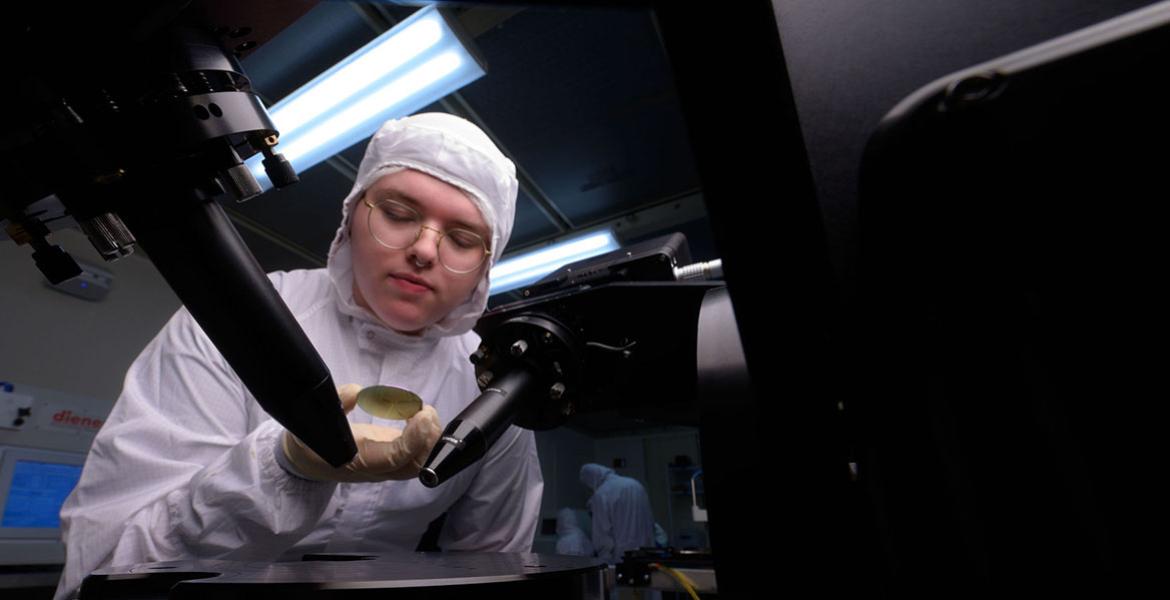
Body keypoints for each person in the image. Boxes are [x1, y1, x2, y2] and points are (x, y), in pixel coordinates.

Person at [54, 113, 544, 600]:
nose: (423, 250)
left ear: (486, 265)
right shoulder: (232, 316)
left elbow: (494, 566)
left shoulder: (495, 380)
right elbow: (105, 569)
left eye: (461, 240)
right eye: (397, 213)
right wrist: (282, 467)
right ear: (351, 214)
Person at [579, 463, 655, 564]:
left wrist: (604, 558)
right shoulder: (635, 484)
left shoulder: (602, 493)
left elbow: (602, 532)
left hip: (623, 557)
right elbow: (649, 520)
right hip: (647, 552)